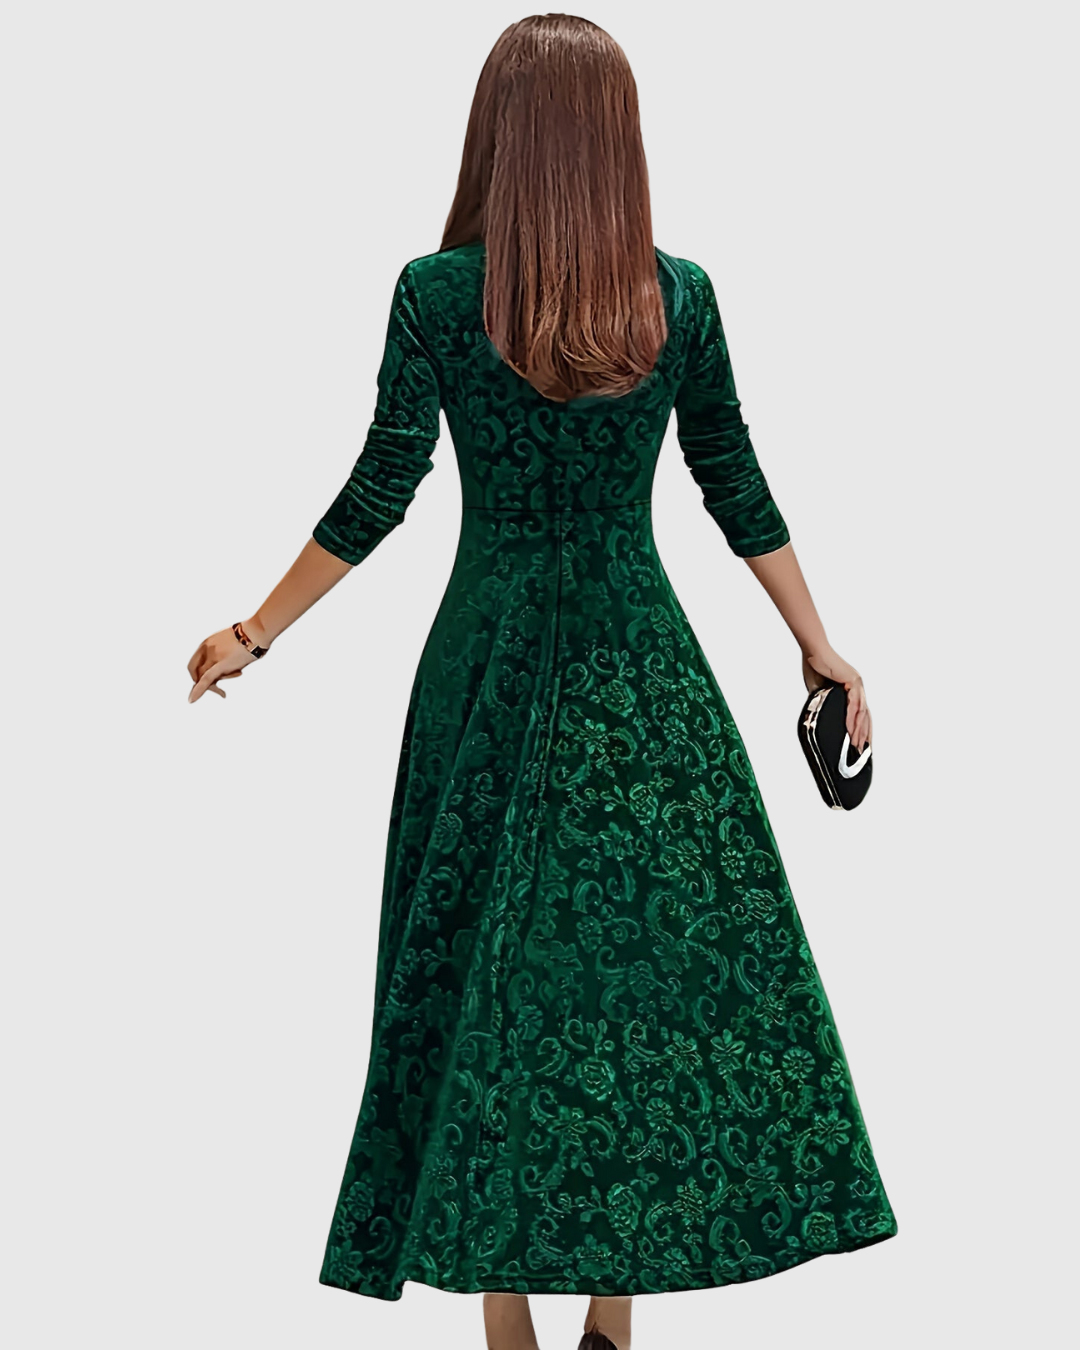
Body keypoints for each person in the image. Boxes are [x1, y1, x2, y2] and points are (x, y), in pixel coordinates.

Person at [187, 13, 897, 1349]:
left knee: (475, 976)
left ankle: (508, 1329)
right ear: (618, 144)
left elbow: (382, 486)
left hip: (487, 667)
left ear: (498, 139)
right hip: (643, 673)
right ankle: (611, 1327)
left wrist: (254, 630)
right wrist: (815, 639)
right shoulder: (676, 297)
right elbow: (732, 476)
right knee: (636, 987)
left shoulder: (437, 295)